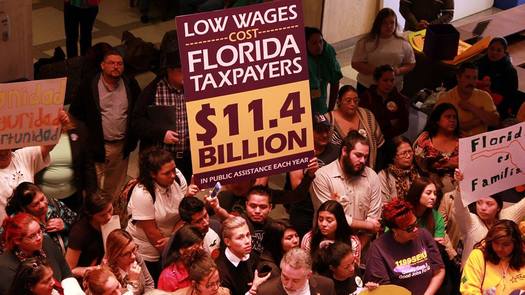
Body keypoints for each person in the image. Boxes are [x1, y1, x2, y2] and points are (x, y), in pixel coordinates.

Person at [70, 49, 141, 200]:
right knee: (92, 188)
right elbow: (75, 114)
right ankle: (93, 219)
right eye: (111, 63)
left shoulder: (130, 83)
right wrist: (82, 140)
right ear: (102, 65)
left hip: (121, 146)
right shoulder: (89, 85)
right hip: (96, 147)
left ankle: (112, 216)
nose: (116, 66)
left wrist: (133, 139)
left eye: (119, 63)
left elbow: (138, 111)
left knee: (115, 188)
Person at [126, 147, 198, 282]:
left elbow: (183, 214)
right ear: (153, 174)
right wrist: (174, 249)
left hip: (172, 240)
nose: (173, 175)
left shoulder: (177, 176)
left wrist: (172, 237)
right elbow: (154, 237)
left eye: (173, 169)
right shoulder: (142, 194)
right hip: (148, 251)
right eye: (167, 173)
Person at [311, 130, 382, 242]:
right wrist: (367, 225)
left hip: (363, 244)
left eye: (366, 157)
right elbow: (330, 219)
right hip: (331, 244)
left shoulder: (372, 176)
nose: (363, 161)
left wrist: (357, 252)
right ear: (344, 151)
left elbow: (374, 221)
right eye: (358, 155)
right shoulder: (322, 176)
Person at [132, 51, 193, 182]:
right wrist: (161, 134)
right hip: (161, 161)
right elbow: (136, 122)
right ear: (169, 71)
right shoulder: (153, 90)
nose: (186, 74)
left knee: (184, 194)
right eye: (181, 70)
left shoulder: (195, 87)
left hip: (188, 158)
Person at [0, 110, 70, 223]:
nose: (2, 151)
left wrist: (59, 124)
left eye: (4, 147)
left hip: (35, 227)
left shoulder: (23, 156)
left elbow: (48, 145)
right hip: (8, 233)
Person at [364, 198, 445, 295]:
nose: (415, 229)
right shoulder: (378, 249)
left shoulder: (424, 235)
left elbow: (439, 271)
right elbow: (385, 290)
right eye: (409, 228)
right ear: (395, 230)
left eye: (416, 223)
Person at [453, 170, 525, 266]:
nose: (483, 208)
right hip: (473, 273)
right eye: (479, 202)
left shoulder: (505, 218)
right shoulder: (472, 221)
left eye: (489, 204)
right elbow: (459, 210)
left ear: (498, 207)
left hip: (500, 272)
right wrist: (460, 187)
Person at [0, 213, 81, 295]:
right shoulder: (5, 266)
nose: (39, 237)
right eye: (32, 236)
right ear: (17, 241)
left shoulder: (46, 241)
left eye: (39, 231)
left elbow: (65, 272)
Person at [287, 113, 336, 237]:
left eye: (326, 130)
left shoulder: (336, 151)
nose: (324, 135)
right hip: (303, 210)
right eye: (319, 131)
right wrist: (310, 173)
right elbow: (296, 186)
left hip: (326, 208)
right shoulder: (298, 150)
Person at [35, 115, 97, 213]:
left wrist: (92, 196)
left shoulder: (79, 128)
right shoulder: (30, 132)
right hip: (41, 202)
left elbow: (88, 165)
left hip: (72, 198)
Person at [351, 8, 415, 93]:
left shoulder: (403, 42)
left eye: (392, 23)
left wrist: (399, 70)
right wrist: (377, 71)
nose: (389, 26)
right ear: (378, 24)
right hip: (368, 87)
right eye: (385, 23)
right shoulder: (366, 41)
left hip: (393, 89)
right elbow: (355, 63)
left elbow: (411, 63)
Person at [5, 182, 77, 253]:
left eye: (42, 199)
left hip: (70, 256)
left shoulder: (54, 205)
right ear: (24, 208)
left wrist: (65, 226)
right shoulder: (16, 223)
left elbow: (78, 226)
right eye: (35, 204)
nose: (42, 205)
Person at [324, 85, 384, 169]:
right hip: (337, 173)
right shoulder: (328, 119)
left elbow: (379, 145)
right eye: (348, 101)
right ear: (339, 101)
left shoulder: (367, 115)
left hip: (366, 169)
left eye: (356, 101)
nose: (352, 104)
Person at [435, 62, 499, 138]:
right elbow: (437, 126)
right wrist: (478, 120)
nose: (471, 82)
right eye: (467, 77)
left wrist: (471, 107)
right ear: (458, 77)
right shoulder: (445, 99)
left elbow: (495, 122)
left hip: (480, 145)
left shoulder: (484, 96)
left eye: (474, 78)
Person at [461, 220, 525, 294]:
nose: (499, 248)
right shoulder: (478, 255)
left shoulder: (522, 256)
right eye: (496, 243)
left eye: (506, 244)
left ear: (516, 244)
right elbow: (468, 288)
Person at [208, 185, 275, 256]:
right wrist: (217, 208)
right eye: (253, 206)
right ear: (246, 205)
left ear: (270, 207)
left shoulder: (272, 225)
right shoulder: (240, 219)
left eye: (263, 207)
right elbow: (227, 217)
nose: (257, 211)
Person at [215, 216, 271, 295]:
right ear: (227, 242)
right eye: (240, 238)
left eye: (248, 235)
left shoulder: (253, 254)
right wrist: (253, 289)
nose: (247, 241)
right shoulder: (220, 271)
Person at [65, 191, 113, 278]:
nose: (109, 217)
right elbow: (69, 269)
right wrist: (95, 270)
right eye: (102, 215)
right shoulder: (79, 233)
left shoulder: (111, 220)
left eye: (110, 210)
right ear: (91, 215)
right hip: (88, 277)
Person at [414, 103, 460, 193]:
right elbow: (415, 166)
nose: (452, 120)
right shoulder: (425, 140)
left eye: (454, 117)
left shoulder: (463, 141)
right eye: (448, 117)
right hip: (429, 191)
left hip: (459, 190)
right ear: (437, 120)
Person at [301, 200, 361, 267]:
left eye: (329, 220)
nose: (323, 224)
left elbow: (353, 270)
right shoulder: (309, 238)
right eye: (320, 219)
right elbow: (304, 267)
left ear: (339, 221)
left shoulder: (352, 241)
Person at [359, 65, 409, 141]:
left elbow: (404, 125)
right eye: (385, 80)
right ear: (377, 81)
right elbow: (362, 121)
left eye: (392, 80)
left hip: (390, 141)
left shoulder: (400, 99)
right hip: (370, 140)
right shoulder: (367, 97)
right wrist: (390, 122)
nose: (389, 84)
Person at [257, 247, 336, 295]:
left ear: (308, 275)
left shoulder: (326, 286)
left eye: (295, 280)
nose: (288, 285)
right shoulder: (265, 291)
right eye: (285, 277)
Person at [477, 37, 520, 119]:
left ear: (504, 52)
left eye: (499, 50)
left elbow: (511, 96)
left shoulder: (510, 71)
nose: (494, 52)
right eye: (492, 49)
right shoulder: (480, 62)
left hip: (498, 107)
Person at [104, 229, 155, 295]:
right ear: (115, 256)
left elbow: (149, 284)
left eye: (134, 249)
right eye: (126, 254)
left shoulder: (136, 256)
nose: (133, 256)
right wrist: (133, 281)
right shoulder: (108, 275)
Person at [305, 27, 343, 114]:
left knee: (322, 111)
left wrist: (331, 110)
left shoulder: (328, 52)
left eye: (320, 41)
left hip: (320, 92)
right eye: (314, 43)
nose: (318, 46)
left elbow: (335, 81)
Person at [158, 225, 204, 292]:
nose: (202, 250)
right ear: (181, 249)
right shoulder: (168, 278)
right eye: (196, 249)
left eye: (202, 245)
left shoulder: (201, 264)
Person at [378, 136, 420, 203]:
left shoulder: (417, 172)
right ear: (394, 157)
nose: (408, 156)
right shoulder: (384, 176)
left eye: (410, 152)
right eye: (404, 153)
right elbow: (384, 204)